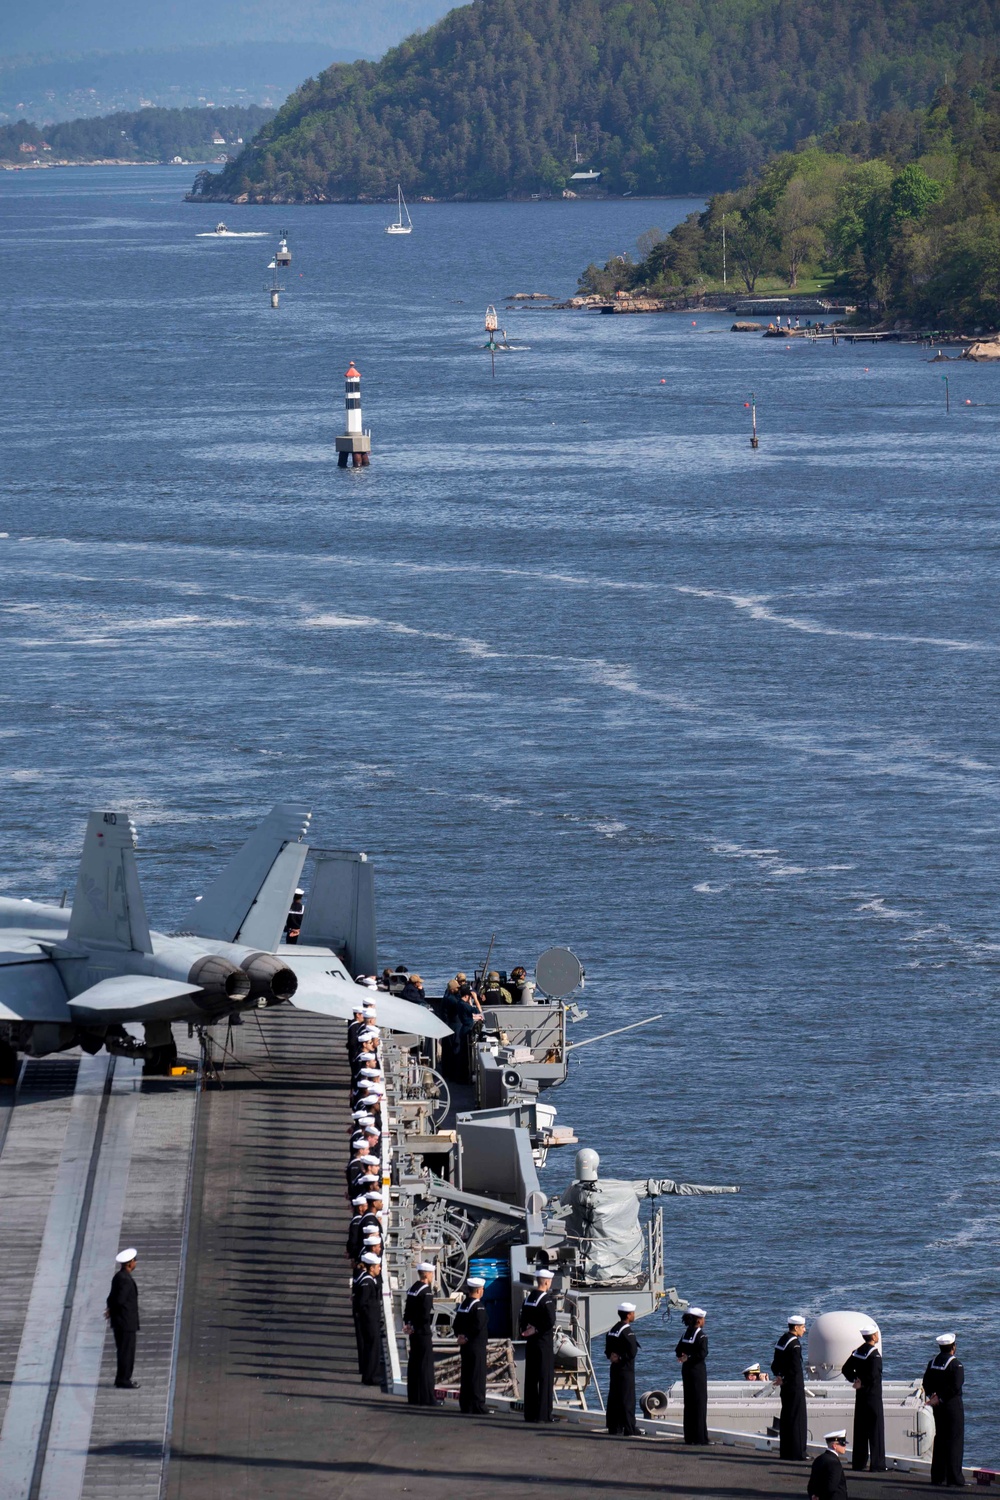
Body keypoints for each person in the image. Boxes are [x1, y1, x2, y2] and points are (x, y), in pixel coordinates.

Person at [842, 1324, 886, 1471]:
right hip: (873, 1397)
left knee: (860, 1431)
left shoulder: (858, 1351)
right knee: (876, 1431)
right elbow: (874, 1376)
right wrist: (865, 1383)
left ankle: (859, 1463)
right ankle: (877, 1464)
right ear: (873, 1336)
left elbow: (845, 1369)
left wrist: (856, 1380)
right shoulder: (874, 1355)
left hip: (860, 1397)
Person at [924, 1332, 965, 1487]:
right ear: (953, 1347)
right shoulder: (956, 1364)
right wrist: (941, 1397)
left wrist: (933, 1396)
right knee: (954, 1440)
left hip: (937, 1407)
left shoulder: (932, 1362)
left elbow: (926, 1382)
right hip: (952, 1406)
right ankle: (954, 1478)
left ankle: (937, 1476)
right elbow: (956, 1386)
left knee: (940, 1439)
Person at [519, 1268, 557, 1423]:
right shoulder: (546, 1299)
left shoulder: (528, 1299)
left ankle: (530, 1413)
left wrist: (526, 1330)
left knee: (531, 1378)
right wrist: (537, 1329)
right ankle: (544, 1415)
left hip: (531, 1342)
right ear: (547, 1282)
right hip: (543, 1344)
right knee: (545, 1378)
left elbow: (522, 1319)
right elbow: (550, 1321)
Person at [771, 1315, 808, 1460]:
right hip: (794, 1386)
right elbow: (795, 1369)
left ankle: (786, 1451)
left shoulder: (782, 1340)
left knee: (786, 1418)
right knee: (798, 1419)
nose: (804, 1330)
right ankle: (799, 1452)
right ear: (797, 1327)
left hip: (785, 1386)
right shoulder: (795, 1344)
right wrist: (786, 1378)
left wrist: (780, 1376)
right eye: (803, 1327)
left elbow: (776, 1364)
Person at [403, 1261, 438, 1405]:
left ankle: (414, 1396)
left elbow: (408, 1311)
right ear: (428, 1274)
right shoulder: (426, 1291)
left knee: (414, 1364)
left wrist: (409, 1325)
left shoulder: (413, 1288)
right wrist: (417, 1326)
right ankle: (427, 1398)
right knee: (426, 1366)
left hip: (413, 1333)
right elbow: (424, 1315)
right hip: (423, 1333)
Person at [105, 1247, 140, 1389]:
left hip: (120, 1321)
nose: (135, 1263)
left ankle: (121, 1378)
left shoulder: (118, 1277)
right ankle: (124, 1379)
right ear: (129, 1263)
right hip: (126, 1322)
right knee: (127, 1352)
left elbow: (111, 1298)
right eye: (134, 1261)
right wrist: (112, 1310)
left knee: (123, 1351)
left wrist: (110, 1310)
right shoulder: (125, 1279)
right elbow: (119, 1300)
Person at [454, 1276, 490, 1414]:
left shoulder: (463, 1305)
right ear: (479, 1290)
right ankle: (478, 1404)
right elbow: (478, 1325)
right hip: (476, 1345)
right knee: (477, 1375)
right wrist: (468, 1336)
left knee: (467, 1375)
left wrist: (461, 1336)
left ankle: (466, 1404)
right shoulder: (478, 1306)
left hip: (465, 1346)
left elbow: (456, 1324)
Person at [605, 1301, 640, 1436]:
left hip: (614, 1368)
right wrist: (620, 1358)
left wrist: (612, 1356)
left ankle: (614, 1426)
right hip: (625, 1369)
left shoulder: (612, 1329)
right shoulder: (627, 1331)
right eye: (633, 1313)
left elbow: (608, 1349)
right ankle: (630, 1428)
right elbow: (632, 1352)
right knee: (627, 1398)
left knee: (614, 1397)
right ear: (629, 1315)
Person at [675, 1307, 709, 1444]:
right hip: (698, 1372)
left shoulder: (686, 1334)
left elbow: (678, 1350)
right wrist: (689, 1358)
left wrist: (683, 1357)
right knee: (699, 1403)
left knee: (688, 1404)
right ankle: (701, 1437)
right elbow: (702, 1354)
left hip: (686, 1371)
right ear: (699, 1320)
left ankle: (689, 1436)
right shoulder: (701, 1336)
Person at [353, 1252, 383, 1385]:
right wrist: (366, 1317)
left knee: (371, 1348)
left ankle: (369, 1375)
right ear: (372, 1268)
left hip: (370, 1319)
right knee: (373, 1348)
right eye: (378, 1266)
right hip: (369, 1320)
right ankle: (372, 1376)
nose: (379, 1268)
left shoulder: (367, 1279)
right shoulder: (367, 1282)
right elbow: (362, 1303)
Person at [807, 1429, 849, 1500]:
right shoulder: (834, 1463)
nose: (845, 1446)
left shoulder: (819, 1459)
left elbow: (812, 1483)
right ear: (834, 1446)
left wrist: (814, 1495)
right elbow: (831, 1487)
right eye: (843, 1444)